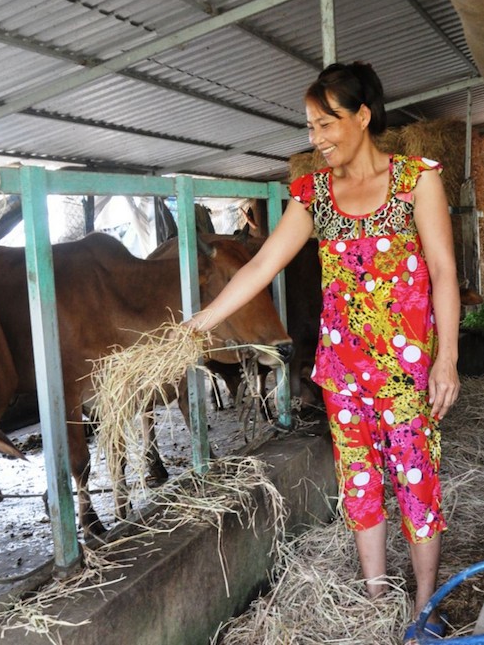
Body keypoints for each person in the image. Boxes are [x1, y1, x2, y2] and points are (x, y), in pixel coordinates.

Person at [184, 61, 460, 641]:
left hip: (406, 373)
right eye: (310, 126)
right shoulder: (314, 194)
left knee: (416, 483)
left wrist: (447, 359)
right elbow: (262, 263)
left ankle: (425, 603)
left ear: (362, 116)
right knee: (359, 482)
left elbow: (442, 271)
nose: (316, 138)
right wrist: (202, 321)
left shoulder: (416, 180)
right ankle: (375, 593)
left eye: (326, 123)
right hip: (342, 372)